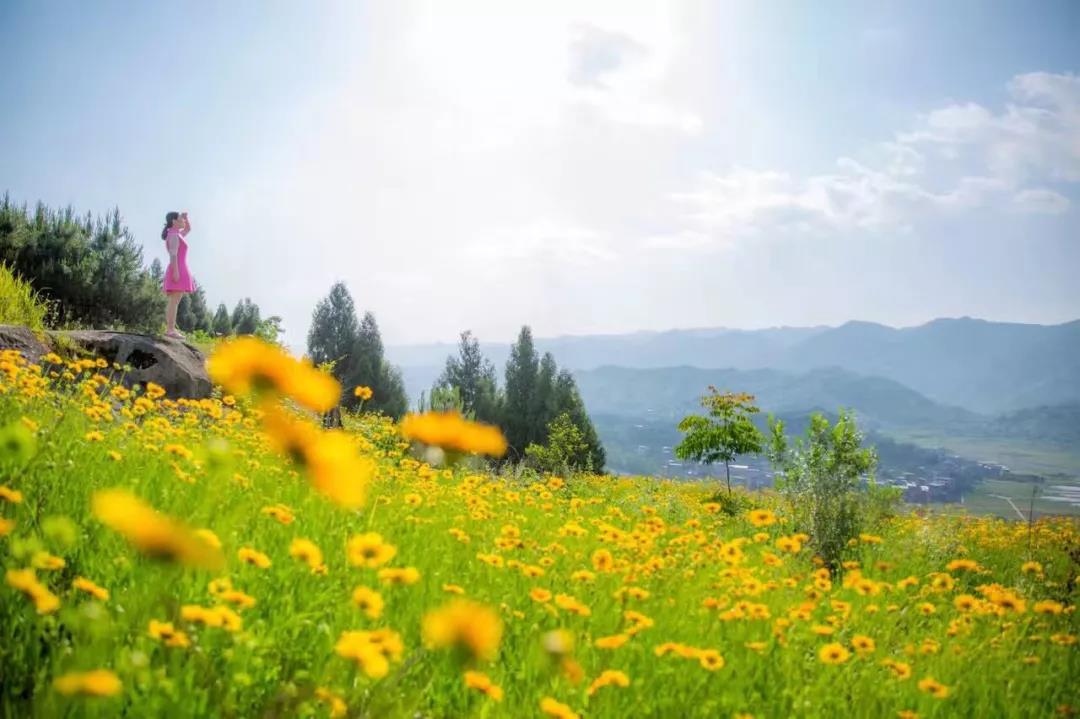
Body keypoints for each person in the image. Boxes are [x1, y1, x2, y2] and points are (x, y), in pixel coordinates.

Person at [161, 210, 195, 339]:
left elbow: (188, 229)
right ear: (174, 221)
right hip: (178, 268)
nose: (183, 221)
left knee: (175, 300)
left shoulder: (176, 234)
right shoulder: (174, 235)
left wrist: (186, 217)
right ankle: (170, 330)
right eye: (181, 219)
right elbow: (173, 255)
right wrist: (175, 271)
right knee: (174, 301)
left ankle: (170, 329)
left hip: (180, 267)